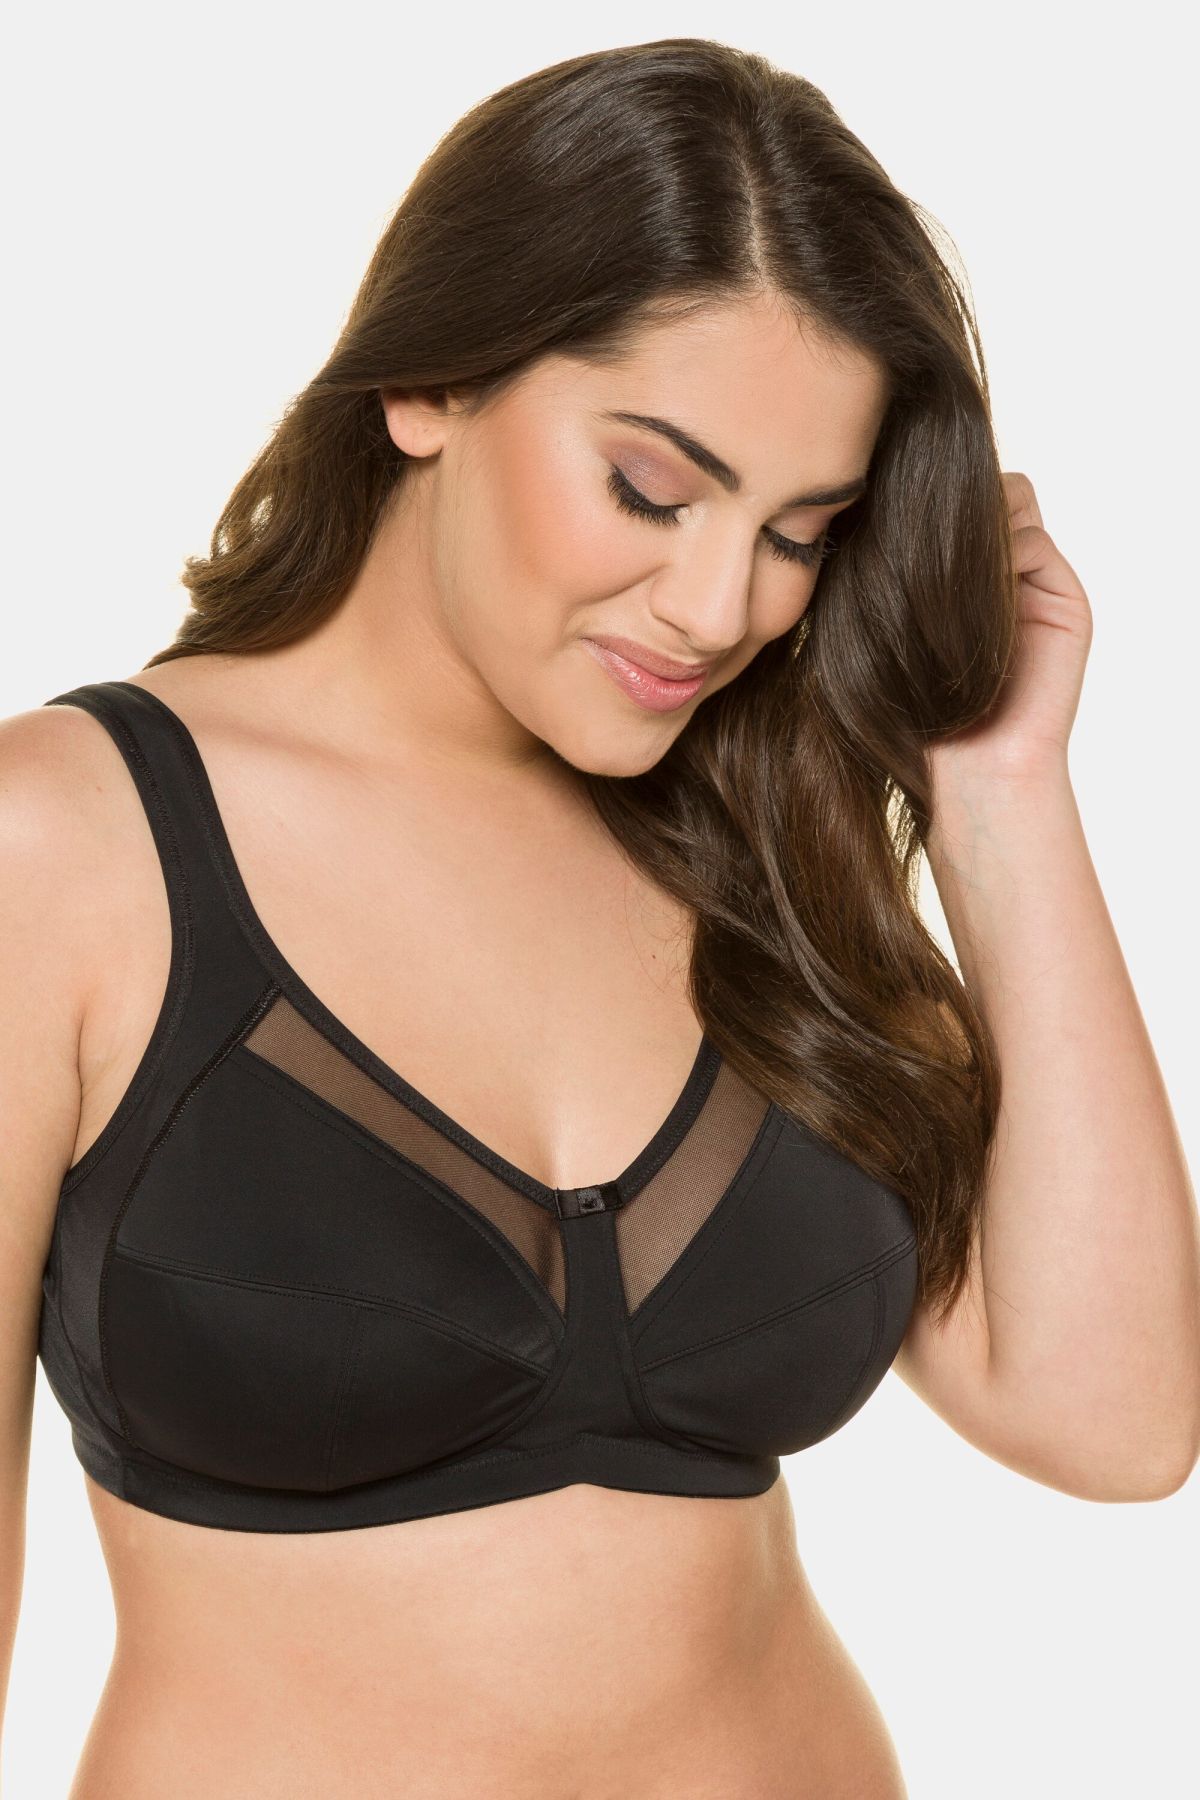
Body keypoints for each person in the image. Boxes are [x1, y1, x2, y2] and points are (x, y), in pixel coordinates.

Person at [2, 36, 1196, 1800]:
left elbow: (1114, 1419)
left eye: (801, 533)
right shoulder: (63, 843)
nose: (718, 607)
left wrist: (1000, 788)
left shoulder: (759, 847)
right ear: (431, 381)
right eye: (653, 488)